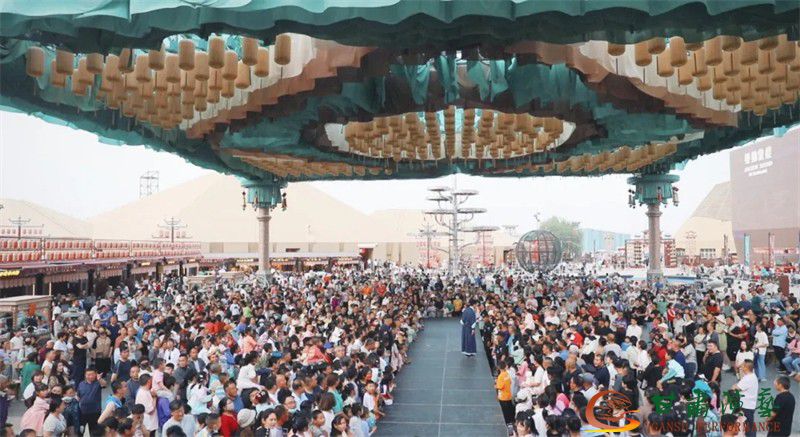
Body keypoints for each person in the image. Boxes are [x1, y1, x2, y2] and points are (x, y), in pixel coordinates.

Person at [731, 360, 758, 437]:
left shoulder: (748, 378)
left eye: (742, 365)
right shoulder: (751, 375)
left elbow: (735, 388)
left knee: (748, 426)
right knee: (749, 425)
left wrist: (734, 386)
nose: (741, 366)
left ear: (746, 367)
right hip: (749, 405)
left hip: (746, 406)